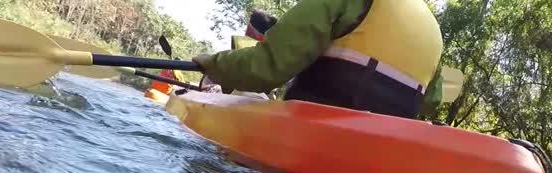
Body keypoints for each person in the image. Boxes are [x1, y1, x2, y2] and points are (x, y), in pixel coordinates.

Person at [191, 0, 446, 121]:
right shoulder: (434, 33)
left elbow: (267, 67)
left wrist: (214, 64)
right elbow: (430, 104)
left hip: (311, 132)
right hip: (389, 153)